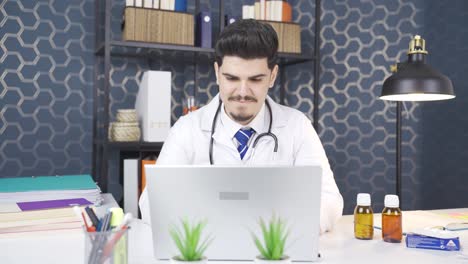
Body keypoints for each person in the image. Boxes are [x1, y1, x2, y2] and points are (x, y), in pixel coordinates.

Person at [139, 19, 343, 233]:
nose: (243, 91)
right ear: (217, 73)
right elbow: (152, 204)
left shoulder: (297, 126)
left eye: (255, 80)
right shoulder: (187, 129)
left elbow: (329, 201)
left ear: (272, 76)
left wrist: (271, 231)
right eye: (232, 78)